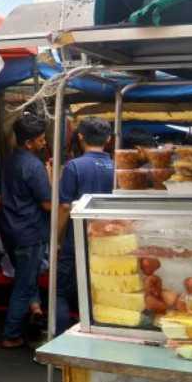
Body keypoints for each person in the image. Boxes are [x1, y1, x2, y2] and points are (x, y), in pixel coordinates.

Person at [56, 118, 114, 335]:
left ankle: (60, 344)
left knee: (60, 292)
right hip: (107, 242)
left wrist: (56, 240)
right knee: (96, 292)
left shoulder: (74, 166)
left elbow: (64, 207)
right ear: (108, 139)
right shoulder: (116, 168)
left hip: (76, 240)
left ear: (80, 136)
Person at [0, 114, 51, 349]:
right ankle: (11, 334)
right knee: (24, 283)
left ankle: (36, 311)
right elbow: (47, 203)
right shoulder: (34, 165)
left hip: (10, 230)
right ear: (29, 142)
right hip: (29, 233)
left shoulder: (9, 160)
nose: (44, 143)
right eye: (41, 139)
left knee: (26, 280)